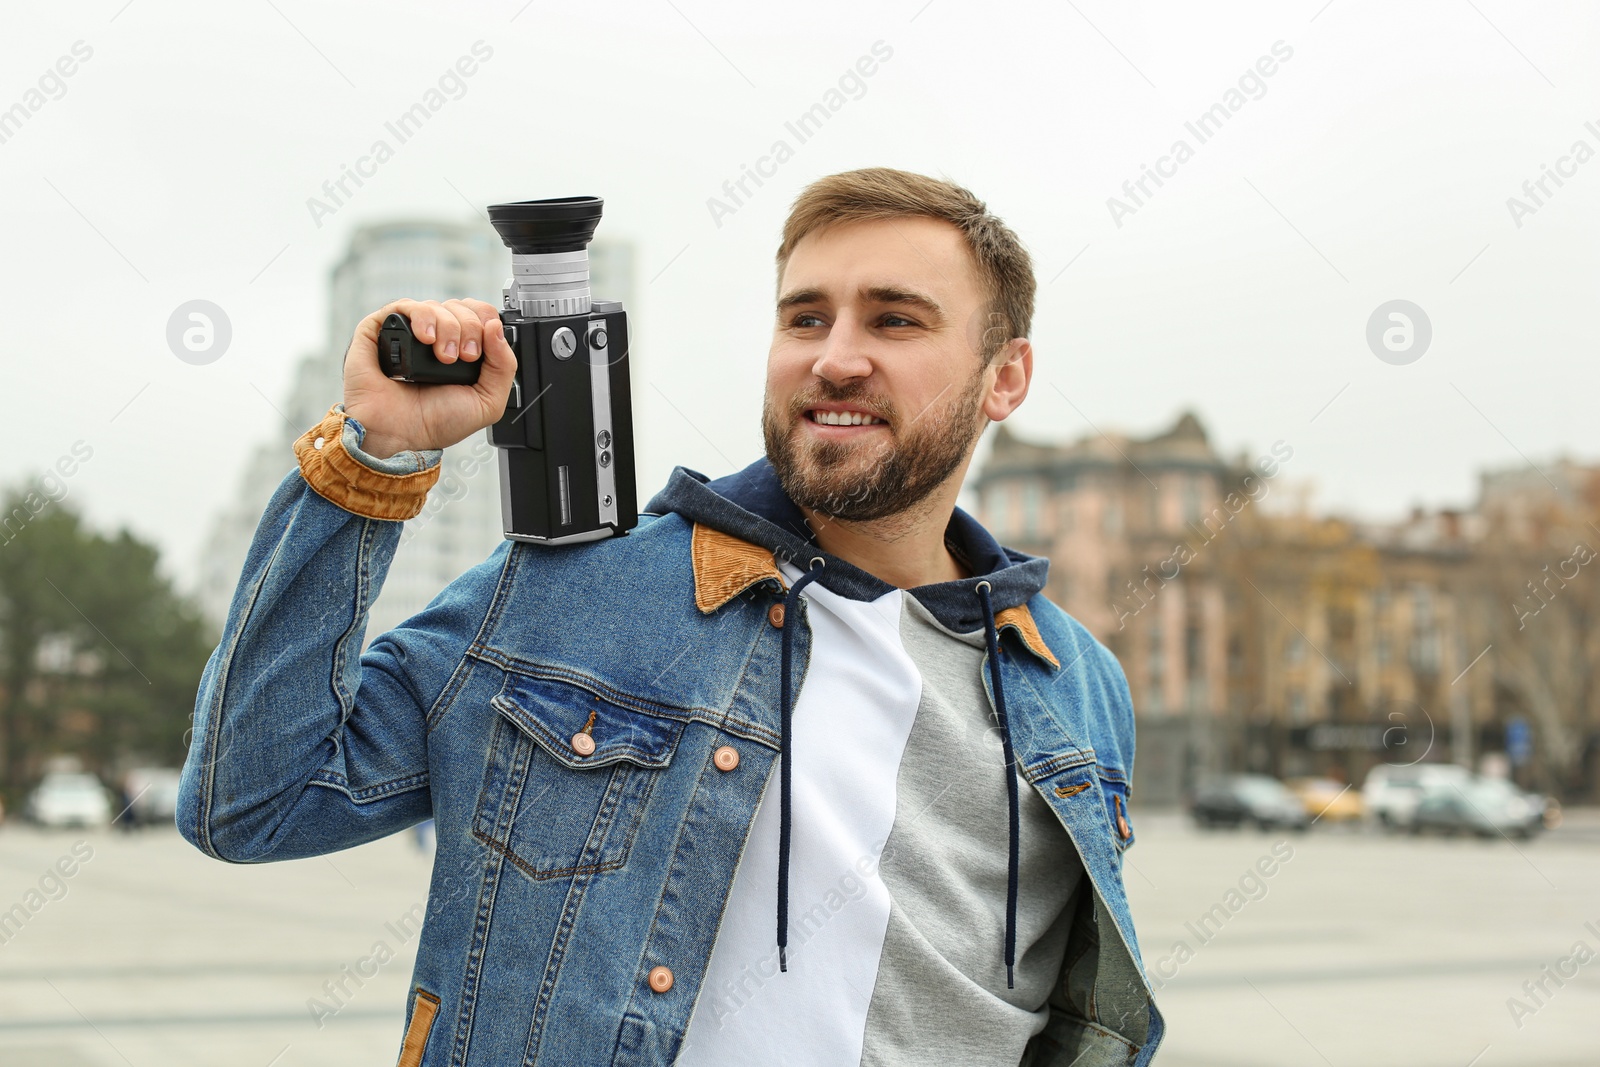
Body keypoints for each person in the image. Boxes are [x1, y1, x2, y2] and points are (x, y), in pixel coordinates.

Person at [177, 167, 1164, 1066]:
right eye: (806, 318)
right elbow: (253, 803)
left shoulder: (1074, 683)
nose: (836, 358)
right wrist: (375, 457)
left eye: (895, 321)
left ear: (1006, 375)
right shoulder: (573, 591)